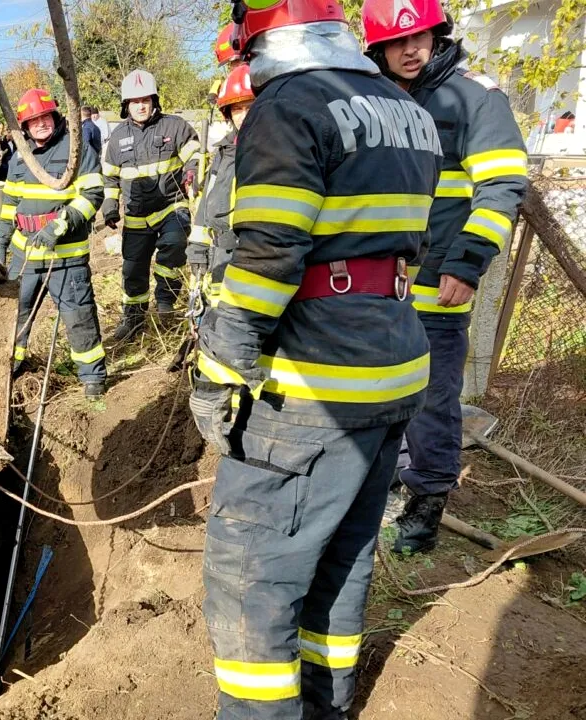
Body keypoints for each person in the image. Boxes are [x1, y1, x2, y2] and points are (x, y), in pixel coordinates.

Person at [190, 0, 441, 716]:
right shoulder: (404, 109)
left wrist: (220, 370)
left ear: (261, 37)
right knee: (341, 561)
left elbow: (269, 253)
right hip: (392, 368)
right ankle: (328, 707)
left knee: (251, 579)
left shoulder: (290, 105)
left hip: (311, 387)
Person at [362, 0, 529, 554]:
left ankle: (426, 504)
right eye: (396, 41)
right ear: (378, 48)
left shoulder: (475, 97)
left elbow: (501, 189)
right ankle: (389, 479)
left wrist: (467, 262)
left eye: (421, 37)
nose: (411, 50)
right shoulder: (374, 99)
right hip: (377, 284)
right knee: (378, 392)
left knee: (433, 401)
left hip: (439, 283)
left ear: (438, 34)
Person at [0, 88, 108, 399]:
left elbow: (93, 194)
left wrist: (60, 225)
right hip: (25, 256)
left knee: (78, 315)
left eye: (45, 117)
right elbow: (9, 203)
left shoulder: (76, 150)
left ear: (55, 117)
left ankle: (92, 377)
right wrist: (0, 241)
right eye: (33, 120)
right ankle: (13, 366)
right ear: (25, 126)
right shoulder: (20, 156)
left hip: (65, 256)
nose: (41, 123)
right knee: (15, 314)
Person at [101, 68, 201, 341]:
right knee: (133, 269)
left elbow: (194, 155)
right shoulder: (117, 138)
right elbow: (110, 178)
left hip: (171, 206)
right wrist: (110, 207)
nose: (141, 106)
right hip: (136, 216)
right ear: (126, 105)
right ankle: (133, 320)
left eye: (145, 100)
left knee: (174, 245)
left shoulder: (175, 126)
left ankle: (166, 303)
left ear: (154, 100)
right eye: (135, 101)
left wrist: (192, 173)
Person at [188, 63, 254, 309]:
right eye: (237, 109)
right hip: (220, 255)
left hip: (254, 256)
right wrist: (197, 248)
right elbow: (207, 203)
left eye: (250, 107)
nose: (244, 115)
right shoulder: (224, 152)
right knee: (215, 313)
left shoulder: (275, 150)